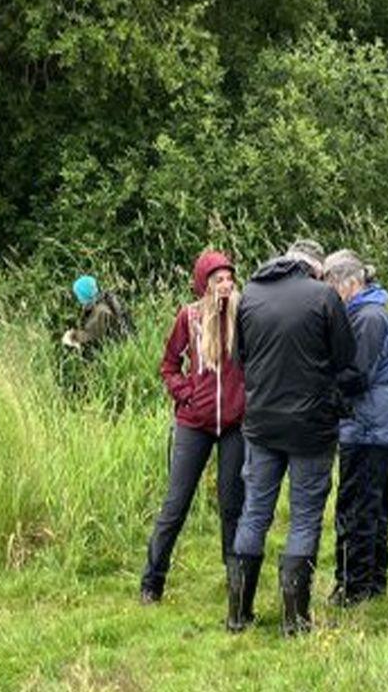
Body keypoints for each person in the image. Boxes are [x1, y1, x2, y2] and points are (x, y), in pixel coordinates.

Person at [227, 242, 362, 636]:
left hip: (261, 423)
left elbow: (241, 358)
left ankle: (238, 615)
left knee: (255, 511)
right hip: (311, 426)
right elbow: (345, 357)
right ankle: (294, 622)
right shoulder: (323, 296)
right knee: (304, 516)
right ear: (316, 268)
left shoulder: (250, 294)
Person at [139, 250, 246, 604]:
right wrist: (186, 394)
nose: (226, 285)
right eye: (219, 280)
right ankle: (152, 583)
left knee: (232, 504)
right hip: (194, 423)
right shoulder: (190, 316)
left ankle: (236, 583)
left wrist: (248, 398)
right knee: (176, 503)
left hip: (234, 424)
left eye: (230, 278)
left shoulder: (243, 315)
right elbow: (169, 364)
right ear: (205, 285)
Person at [323, 249, 388, 606]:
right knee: (371, 502)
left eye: (331, 286)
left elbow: (356, 375)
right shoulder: (366, 312)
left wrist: (321, 383)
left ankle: (354, 588)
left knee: (358, 505)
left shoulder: (369, 317)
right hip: (372, 422)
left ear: (350, 283)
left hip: (369, 424)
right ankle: (373, 582)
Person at [61, 274, 131, 356]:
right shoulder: (99, 304)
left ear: (83, 294)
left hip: (116, 353)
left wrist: (72, 336)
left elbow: (92, 337)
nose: (77, 298)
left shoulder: (100, 311)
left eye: (78, 295)